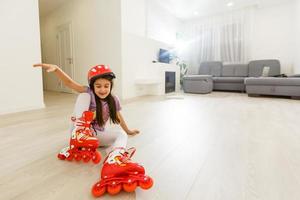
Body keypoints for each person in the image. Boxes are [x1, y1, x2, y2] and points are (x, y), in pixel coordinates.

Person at [33, 63, 139, 152]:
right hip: (85, 132)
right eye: (98, 86)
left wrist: (128, 131)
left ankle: (114, 156)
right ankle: (80, 132)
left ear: (111, 86)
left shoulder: (113, 99)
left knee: (122, 135)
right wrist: (57, 69)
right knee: (83, 95)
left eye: (106, 86)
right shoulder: (89, 93)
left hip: (98, 135)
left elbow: (118, 116)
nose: (102, 90)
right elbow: (69, 83)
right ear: (92, 86)